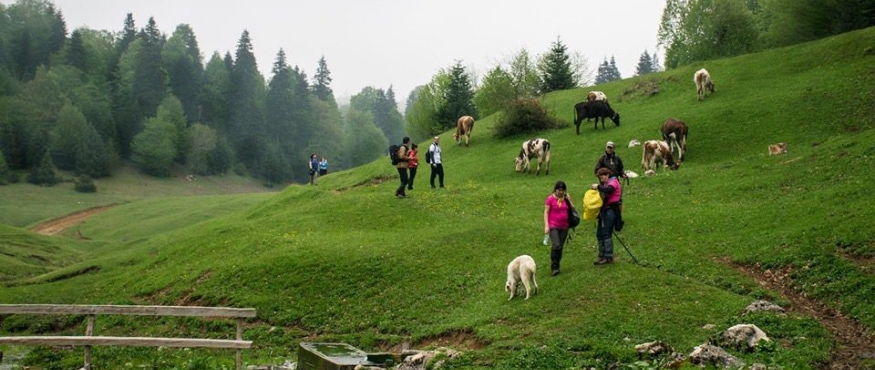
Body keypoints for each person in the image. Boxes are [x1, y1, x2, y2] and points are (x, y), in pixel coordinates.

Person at [592, 167, 622, 265]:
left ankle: (608, 256)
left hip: (611, 210)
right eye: (600, 178)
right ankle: (601, 255)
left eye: (602, 177)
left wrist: (598, 187)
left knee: (606, 233)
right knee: (599, 233)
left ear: (607, 175)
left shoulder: (613, 182)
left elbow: (609, 190)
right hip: (604, 210)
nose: (601, 180)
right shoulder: (606, 183)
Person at [544, 180, 574, 276]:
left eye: (562, 190)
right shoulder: (550, 199)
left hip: (564, 226)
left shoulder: (565, 198)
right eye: (559, 190)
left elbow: (573, 209)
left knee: (560, 247)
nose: (561, 192)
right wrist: (546, 226)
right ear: (555, 190)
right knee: (556, 245)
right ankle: (554, 267)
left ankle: (557, 265)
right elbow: (546, 212)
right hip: (553, 226)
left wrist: (569, 200)